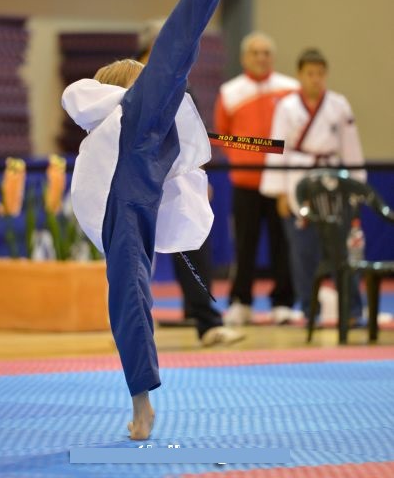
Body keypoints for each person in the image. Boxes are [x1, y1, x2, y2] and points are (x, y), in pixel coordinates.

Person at [62, 0, 273, 441]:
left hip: (130, 199)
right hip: (130, 187)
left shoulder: (130, 130)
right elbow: (176, 46)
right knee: (129, 297)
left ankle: (142, 401)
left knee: (128, 295)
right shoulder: (134, 111)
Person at [136, 20, 242, 347]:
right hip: (139, 178)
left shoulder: (179, 77)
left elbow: (193, 134)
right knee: (135, 254)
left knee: (192, 245)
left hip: (178, 179)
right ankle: (130, 327)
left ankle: (207, 322)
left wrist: (199, 175)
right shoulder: (129, 77)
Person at [260, 48, 365, 321]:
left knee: (341, 251)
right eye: (310, 73)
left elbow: (351, 148)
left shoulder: (339, 105)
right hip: (298, 182)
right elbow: (277, 148)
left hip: (332, 182)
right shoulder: (287, 106)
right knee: (303, 253)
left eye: (320, 73)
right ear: (300, 75)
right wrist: (280, 193)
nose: (315, 79)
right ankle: (309, 310)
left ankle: (353, 310)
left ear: (325, 74)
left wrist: (357, 187)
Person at [214, 32, 299, 325]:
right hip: (245, 182)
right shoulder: (230, 92)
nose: (261, 58)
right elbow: (223, 133)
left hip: (281, 184)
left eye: (266, 52)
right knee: (244, 245)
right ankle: (241, 302)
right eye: (255, 52)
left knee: (282, 244)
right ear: (244, 58)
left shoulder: (290, 89)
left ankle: (283, 303)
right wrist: (243, 158)